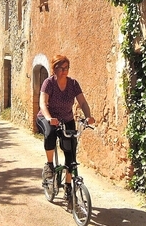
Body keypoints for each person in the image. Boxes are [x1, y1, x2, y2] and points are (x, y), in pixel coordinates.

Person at [36, 55, 95, 201]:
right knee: (50, 133)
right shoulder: (48, 83)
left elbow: (82, 102)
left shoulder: (73, 84)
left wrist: (88, 116)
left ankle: (68, 186)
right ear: (54, 69)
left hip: (66, 119)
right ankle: (49, 165)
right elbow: (43, 104)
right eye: (61, 68)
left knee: (71, 152)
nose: (64, 71)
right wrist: (49, 118)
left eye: (66, 68)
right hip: (47, 117)